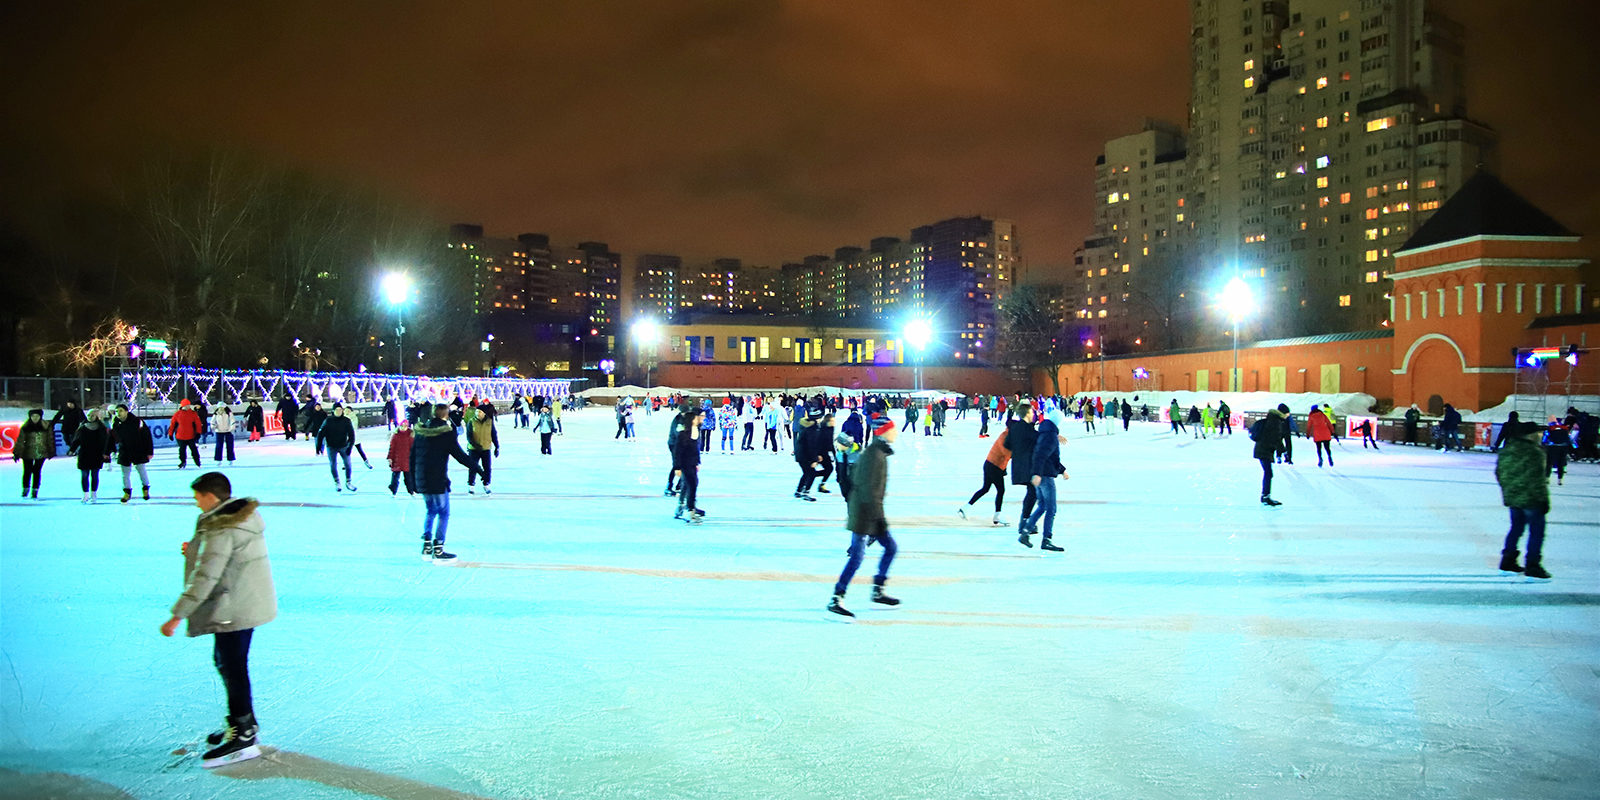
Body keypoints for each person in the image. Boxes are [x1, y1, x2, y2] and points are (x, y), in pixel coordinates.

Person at [160, 471, 277, 768]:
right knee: (227, 662)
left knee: (232, 666)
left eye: (198, 497)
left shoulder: (222, 527)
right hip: (242, 601)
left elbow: (207, 575)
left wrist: (177, 615)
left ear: (211, 496)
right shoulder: (239, 516)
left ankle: (244, 733)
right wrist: (197, 549)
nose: (196, 503)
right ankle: (241, 722)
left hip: (232, 607)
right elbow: (223, 558)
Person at [827, 415, 901, 618]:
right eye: (892, 429)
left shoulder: (878, 453)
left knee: (890, 549)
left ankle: (877, 590)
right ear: (883, 432)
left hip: (868, 512)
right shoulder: (873, 455)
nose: (895, 433)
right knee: (858, 557)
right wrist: (879, 520)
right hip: (864, 514)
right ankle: (836, 598)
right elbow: (868, 491)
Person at [410, 404, 485, 561]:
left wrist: (412, 481)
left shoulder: (421, 432)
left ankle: (427, 546)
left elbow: (412, 456)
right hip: (437, 479)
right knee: (443, 513)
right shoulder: (446, 433)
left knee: (430, 511)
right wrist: (478, 469)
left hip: (421, 479)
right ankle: (438, 548)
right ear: (445, 415)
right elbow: (460, 455)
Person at [1495, 421, 1552, 579]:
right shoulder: (1535, 452)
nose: (1541, 436)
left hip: (1513, 497)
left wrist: (1509, 490)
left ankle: (1507, 560)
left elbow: (1499, 473)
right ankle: (1533, 564)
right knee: (1536, 532)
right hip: (1531, 498)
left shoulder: (1507, 450)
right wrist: (1544, 500)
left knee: (1516, 528)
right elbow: (1537, 479)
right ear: (1530, 435)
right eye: (1538, 433)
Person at [1020, 411, 1067, 551]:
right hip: (1044, 476)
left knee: (1043, 506)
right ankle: (1046, 539)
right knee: (1051, 508)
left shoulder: (1046, 432)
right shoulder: (1050, 436)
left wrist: (1062, 470)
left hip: (1042, 474)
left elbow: (1050, 457)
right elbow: (1041, 455)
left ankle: (1026, 532)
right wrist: (1037, 474)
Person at [959, 423, 1011, 526]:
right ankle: (997, 515)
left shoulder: (1007, 435)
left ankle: (966, 508)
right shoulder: (1005, 436)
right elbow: (1007, 453)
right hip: (994, 466)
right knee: (1000, 490)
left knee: (985, 489)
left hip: (991, 465)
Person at [1006, 402, 1039, 543]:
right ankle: (1024, 522)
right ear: (1027, 414)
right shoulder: (1027, 429)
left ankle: (1025, 521)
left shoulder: (1015, 428)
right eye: (1032, 412)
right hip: (1028, 465)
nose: (1034, 415)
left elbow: (1007, 444)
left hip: (1019, 464)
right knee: (1033, 492)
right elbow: (1039, 439)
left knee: (1032, 492)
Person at [111, 404, 154, 503]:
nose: (118, 413)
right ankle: (127, 492)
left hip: (138, 450)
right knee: (125, 474)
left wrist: (149, 451)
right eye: (117, 411)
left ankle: (146, 489)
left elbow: (147, 436)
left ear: (126, 411)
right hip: (124, 451)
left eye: (121, 411)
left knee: (141, 470)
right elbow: (113, 438)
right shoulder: (116, 423)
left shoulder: (138, 422)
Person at [1251, 404, 1290, 506]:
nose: (1287, 416)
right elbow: (1276, 439)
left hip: (1262, 449)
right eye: (1287, 414)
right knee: (1268, 473)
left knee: (1268, 473)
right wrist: (1284, 451)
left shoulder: (1273, 419)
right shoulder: (1275, 422)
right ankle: (1265, 496)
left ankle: (1265, 495)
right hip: (1264, 450)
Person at [72, 408, 112, 503]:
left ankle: (94, 493)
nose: (90, 417)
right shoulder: (82, 427)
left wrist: (106, 453)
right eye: (89, 415)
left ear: (96, 417)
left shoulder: (101, 428)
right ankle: (85, 494)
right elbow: (77, 440)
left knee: (94, 475)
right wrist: (72, 449)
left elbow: (106, 442)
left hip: (96, 454)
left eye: (92, 415)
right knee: (84, 475)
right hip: (84, 454)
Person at [316, 405, 358, 492]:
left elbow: (351, 435)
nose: (339, 412)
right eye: (337, 410)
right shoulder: (328, 421)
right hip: (331, 446)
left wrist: (350, 447)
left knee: (348, 464)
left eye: (340, 410)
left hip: (343, 445)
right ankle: (337, 482)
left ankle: (348, 482)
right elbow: (320, 434)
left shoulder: (346, 421)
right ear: (333, 411)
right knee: (333, 464)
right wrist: (319, 447)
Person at [673, 407, 705, 522]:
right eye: (701, 416)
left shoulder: (697, 430)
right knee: (690, 484)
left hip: (692, 463)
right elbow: (678, 450)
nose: (703, 418)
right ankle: (689, 509)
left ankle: (686, 507)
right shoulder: (683, 432)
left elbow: (695, 449)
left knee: (692, 484)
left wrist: (697, 462)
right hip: (684, 463)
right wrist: (677, 467)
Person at [12, 409, 52, 499]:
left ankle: (35, 489)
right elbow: (20, 440)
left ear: (40, 417)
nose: (35, 418)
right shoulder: (26, 427)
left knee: (37, 471)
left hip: (41, 452)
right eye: (33, 416)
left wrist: (51, 450)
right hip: (27, 452)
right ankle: (25, 488)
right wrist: (17, 452)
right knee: (27, 470)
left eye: (37, 416)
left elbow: (50, 439)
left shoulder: (46, 426)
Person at [464, 405, 499, 494]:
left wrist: (497, 446)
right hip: (473, 449)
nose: (477, 413)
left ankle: (486, 484)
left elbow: (493, 434)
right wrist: (475, 445)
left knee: (487, 467)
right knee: (473, 467)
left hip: (486, 448)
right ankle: (471, 484)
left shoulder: (489, 422)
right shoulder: (471, 421)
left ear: (484, 413)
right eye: (476, 411)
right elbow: (469, 436)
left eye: (479, 412)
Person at [794, 409, 826, 501]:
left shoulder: (807, 426)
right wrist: (814, 459)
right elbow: (811, 445)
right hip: (805, 455)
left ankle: (799, 491)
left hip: (800, 454)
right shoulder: (812, 429)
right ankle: (805, 492)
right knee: (811, 473)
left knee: (806, 473)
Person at [169, 399, 204, 468]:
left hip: (191, 436)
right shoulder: (177, 414)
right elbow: (173, 424)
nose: (188, 407)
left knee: (194, 449)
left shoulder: (193, 413)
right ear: (183, 406)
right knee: (182, 450)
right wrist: (170, 433)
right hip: (180, 436)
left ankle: (197, 461)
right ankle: (183, 462)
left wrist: (198, 433)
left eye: (189, 405)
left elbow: (198, 424)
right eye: (187, 405)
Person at [386, 418, 416, 496]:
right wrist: (390, 458)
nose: (403, 427)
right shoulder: (396, 435)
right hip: (397, 460)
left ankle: (411, 490)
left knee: (408, 477)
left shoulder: (411, 435)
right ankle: (393, 490)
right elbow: (392, 448)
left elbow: (413, 448)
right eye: (402, 425)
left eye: (405, 425)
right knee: (396, 477)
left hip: (407, 459)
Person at [1542, 419, 1575, 486]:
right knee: (1561, 463)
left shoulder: (1550, 429)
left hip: (1553, 447)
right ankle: (1560, 480)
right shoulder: (1565, 428)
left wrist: (1543, 445)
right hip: (1563, 447)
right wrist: (1575, 447)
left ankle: (1547, 478)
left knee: (1549, 463)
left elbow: (1545, 439)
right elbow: (1570, 439)